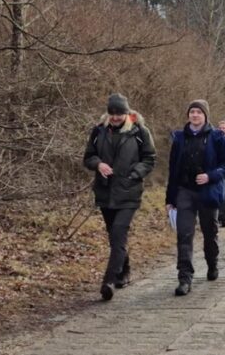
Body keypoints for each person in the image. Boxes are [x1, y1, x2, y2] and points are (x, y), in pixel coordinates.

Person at [83, 93, 157, 301]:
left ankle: (109, 281)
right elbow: (88, 157)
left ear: (127, 113)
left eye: (119, 113)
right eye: (112, 113)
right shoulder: (98, 131)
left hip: (129, 191)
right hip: (105, 191)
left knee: (118, 232)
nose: (115, 117)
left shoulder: (140, 132)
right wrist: (98, 164)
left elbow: (150, 159)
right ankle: (124, 271)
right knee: (114, 236)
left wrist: (134, 174)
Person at [165, 100, 225, 296]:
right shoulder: (179, 138)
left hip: (207, 192)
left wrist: (210, 176)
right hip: (185, 191)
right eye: (192, 112)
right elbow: (173, 171)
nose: (195, 115)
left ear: (205, 116)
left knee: (209, 233)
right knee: (184, 235)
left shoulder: (218, 137)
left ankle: (212, 263)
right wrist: (170, 199)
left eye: (199, 112)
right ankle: (185, 278)